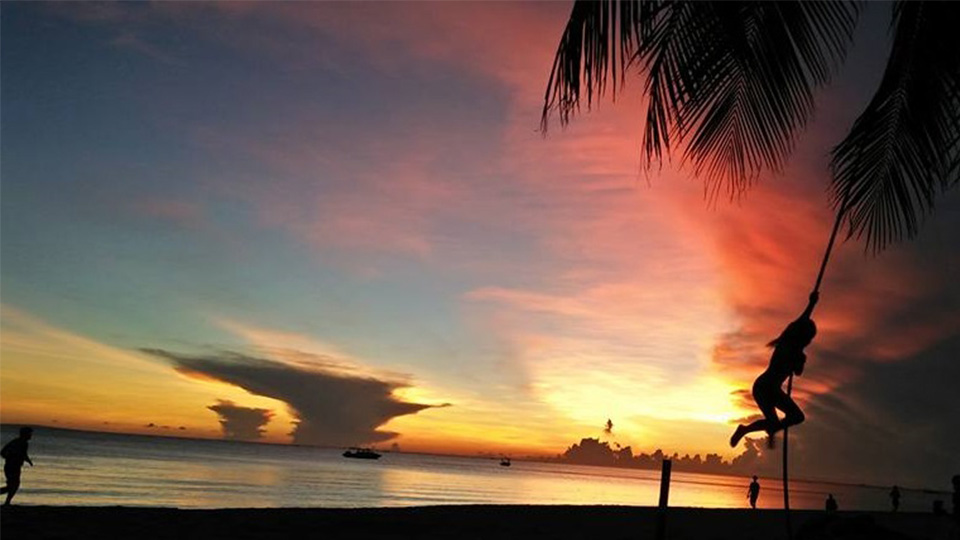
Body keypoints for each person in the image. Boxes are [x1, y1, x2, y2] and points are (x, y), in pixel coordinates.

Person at [730, 292, 818, 448]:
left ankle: (747, 429)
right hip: (765, 387)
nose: (809, 341)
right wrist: (811, 304)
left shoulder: (797, 353)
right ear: (803, 337)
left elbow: (797, 373)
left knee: (786, 419)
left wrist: (800, 361)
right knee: (795, 417)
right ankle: (770, 428)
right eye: (809, 338)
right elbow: (801, 321)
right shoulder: (786, 343)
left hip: (769, 388)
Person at [1, 427, 34, 506]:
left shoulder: (21, 443)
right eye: (29, 434)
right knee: (13, 486)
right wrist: (11, 458)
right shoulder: (20, 442)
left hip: (14, 466)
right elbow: (3, 452)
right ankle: (7, 502)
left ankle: (7, 502)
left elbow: (23, 454)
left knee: (13, 485)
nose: (31, 436)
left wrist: (28, 461)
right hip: (12, 467)